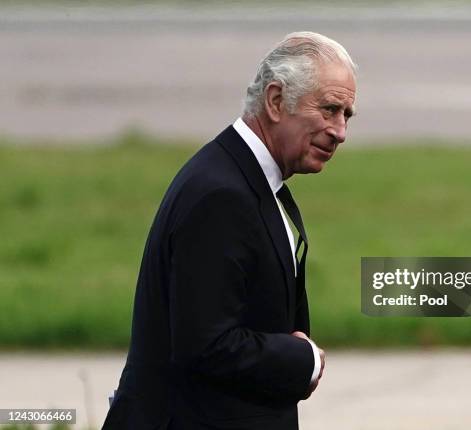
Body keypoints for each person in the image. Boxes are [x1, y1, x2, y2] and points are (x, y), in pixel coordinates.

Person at [102, 31, 357, 430]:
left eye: (347, 115)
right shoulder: (221, 194)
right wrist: (302, 360)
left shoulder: (241, 177)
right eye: (329, 110)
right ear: (275, 101)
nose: (340, 131)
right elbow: (206, 345)